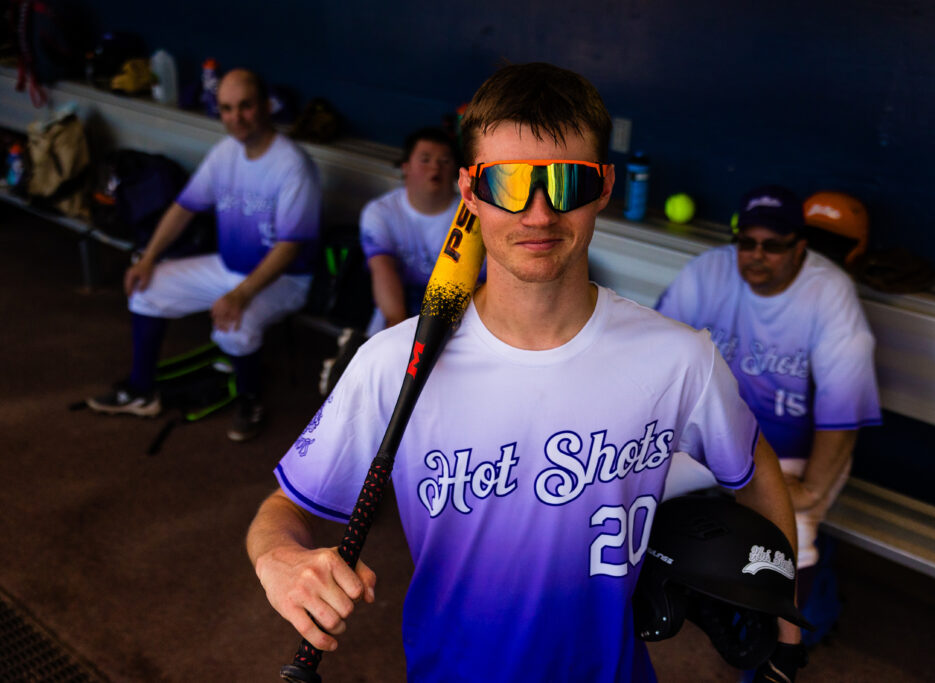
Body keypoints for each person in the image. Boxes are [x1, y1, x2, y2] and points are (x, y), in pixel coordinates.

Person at [247, 63, 803, 683]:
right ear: (470, 191)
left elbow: (754, 466)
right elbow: (283, 508)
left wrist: (783, 627)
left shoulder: (680, 359)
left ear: (604, 188)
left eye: (567, 183)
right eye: (507, 182)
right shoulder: (392, 364)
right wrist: (278, 558)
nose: (538, 213)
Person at [655, 185, 882, 632]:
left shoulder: (830, 294)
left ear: (800, 247)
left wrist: (813, 491)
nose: (756, 255)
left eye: (773, 245)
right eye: (747, 242)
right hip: (714, 434)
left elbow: (844, 408)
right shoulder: (709, 271)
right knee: (628, 486)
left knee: (792, 534)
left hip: (790, 448)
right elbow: (658, 353)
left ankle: (776, 648)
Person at [87, 68, 321, 442]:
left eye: (245, 106)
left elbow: (289, 248)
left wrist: (240, 294)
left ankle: (249, 398)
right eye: (227, 109)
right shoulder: (226, 153)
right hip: (228, 268)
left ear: (265, 106)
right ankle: (141, 390)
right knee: (147, 289)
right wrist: (148, 258)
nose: (236, 117)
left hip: (284, 279)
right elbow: (184, 208)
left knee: (234, 324)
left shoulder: (292, 164)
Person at [360, 126, 461, 335]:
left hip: (454, 316)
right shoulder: (380, 212)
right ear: (406, 166)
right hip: (396, 305)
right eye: (425, 160)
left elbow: (478, 286)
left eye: (445, 161)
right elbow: (383, 270)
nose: (435, 168)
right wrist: (398, 329)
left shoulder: (471, 216)